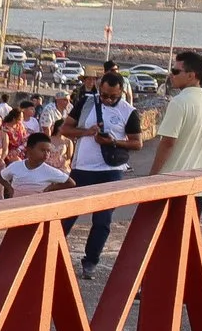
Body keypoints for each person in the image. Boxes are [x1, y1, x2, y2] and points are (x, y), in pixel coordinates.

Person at [57, 70, 143, 280]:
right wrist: (87, 132)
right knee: (68, 215)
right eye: (104, 95)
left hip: (111, 170)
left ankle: (90, 261)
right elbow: (65, 129)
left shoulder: (128, 111)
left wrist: (113, 141)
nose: (108, 100)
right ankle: (51, 253)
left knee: (103, 220)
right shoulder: (86, 103)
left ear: (121, 92)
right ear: (99, 89)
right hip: (83, 168)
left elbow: (137, 142)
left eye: (113, 96)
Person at [150, 51, 202, 191]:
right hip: (198, 188)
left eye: (175, 71)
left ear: (191, 75)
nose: (171, 75)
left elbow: (168, 143)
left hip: (172, 185)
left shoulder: (179, 102)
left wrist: (151, 178)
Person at [2, 132, 71, 198]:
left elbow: (70, 183)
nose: (46, 154)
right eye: (43, 150)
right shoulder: (16, 166)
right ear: (29, 150)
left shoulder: (49, 171)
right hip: (16, 205)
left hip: (38, 206)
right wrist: (9, 188)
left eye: (48, 151)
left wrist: (50, 188)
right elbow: (1, 177)